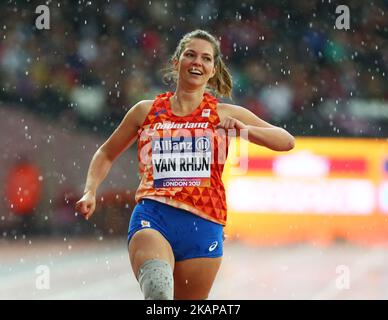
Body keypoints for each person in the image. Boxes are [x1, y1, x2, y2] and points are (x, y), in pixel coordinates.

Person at [75, 29, 295, 300]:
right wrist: (90, 190)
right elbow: (106, 153)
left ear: (213, 69)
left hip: (204, 226)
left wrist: (245, 130)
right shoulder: (146, 111)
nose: (197, 62)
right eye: (190, 55)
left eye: (205, 58)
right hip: (153, 216)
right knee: (158, 294)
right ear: (177, 61)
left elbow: (286, 141)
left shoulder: (224, 113)